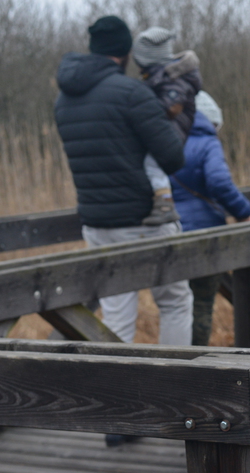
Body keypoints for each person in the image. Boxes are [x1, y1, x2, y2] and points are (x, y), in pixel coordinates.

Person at [54, 15, 192, 348]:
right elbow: (173, 157)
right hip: (144, 220)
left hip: (97, 224)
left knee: (116, 313)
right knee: (175, 302)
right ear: (125, 51)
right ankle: (179, 388)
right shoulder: (131, 93)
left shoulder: (64, 100)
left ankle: (118, 396)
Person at [173, 91, 250, 346]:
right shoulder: (207, 141)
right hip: (205, 234)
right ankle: (195, 365)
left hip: (171, 233)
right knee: (202, 304)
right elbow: (219, 183)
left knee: (175, 306)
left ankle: (173, 366)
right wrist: (244, 213)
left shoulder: (163, 139)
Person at [133, 27, 203, 226]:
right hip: (169, 129)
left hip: (173, 131)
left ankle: (164, 205)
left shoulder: (174, 79)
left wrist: (143, 109)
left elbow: (171, 107)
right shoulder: (162, 76)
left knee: (152, 164)